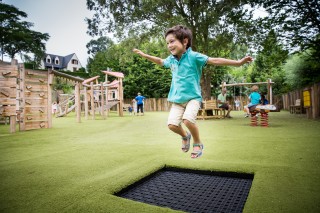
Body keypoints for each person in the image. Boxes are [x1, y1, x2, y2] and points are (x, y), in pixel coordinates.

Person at [133, 25, 253, 159]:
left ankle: (198, 142)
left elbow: (214, 60)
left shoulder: (194, 56)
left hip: (193, 98)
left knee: (188, 121)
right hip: (177, 100)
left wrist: (238, 63)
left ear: (185, 41)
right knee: (172, 125)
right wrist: (144, 55)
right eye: (167, 43)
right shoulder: (171, 59)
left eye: (172, 41)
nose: (169, 45)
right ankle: (185, 136)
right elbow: (160, 61)